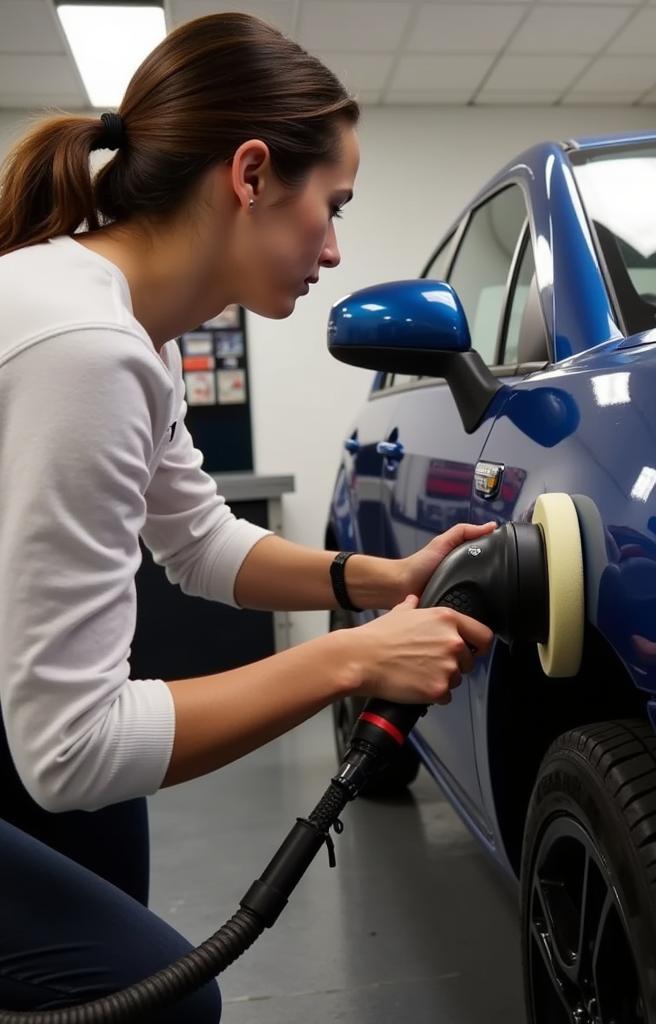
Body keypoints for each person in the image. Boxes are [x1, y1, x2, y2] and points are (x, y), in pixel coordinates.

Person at [0, 12, 494, 1020]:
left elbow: (198, 542)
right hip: (26, 732)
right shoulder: (82, 348)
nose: (336, 244)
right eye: (334, 202)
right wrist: (348, 663)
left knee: (108, 832)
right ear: (254, 173)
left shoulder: (108, 315)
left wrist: (377, 586)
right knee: (167, 999)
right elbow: (72, 746)